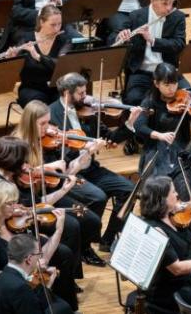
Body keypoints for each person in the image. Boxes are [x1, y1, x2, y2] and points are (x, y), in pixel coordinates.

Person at [50, 72, 139, 253]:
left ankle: (107, 239)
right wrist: (86, 148)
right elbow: (59, 157)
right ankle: (85, 246)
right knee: (98, 197)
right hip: (70, 173)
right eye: (81, 94)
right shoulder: (52, 115)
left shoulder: (88, 111)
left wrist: (130, 122)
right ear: (67, 93)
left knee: (129, 191)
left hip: (91, 169)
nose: (86, 97)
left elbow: (111, 138)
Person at [13, 100, 106, 271]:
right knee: (72, 227)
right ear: (30, 123)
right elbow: (28, 181)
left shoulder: (49, 142)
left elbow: (67, 172)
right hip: (34, 202)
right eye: (43, 124)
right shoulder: (19, 148)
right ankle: (69, 271)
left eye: (48, 122)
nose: (48, 128)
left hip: (54, 193)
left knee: (92, 221)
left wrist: (86, 154)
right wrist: (48, 168)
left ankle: (83, 251)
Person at [0, 179, 76, 314]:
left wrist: (58, 230)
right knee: (57, 307)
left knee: (61, 303)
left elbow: (41, 256)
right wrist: (33, 278)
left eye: (15, 202)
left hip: (18, 282)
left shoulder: (12, 224)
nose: (16, 207)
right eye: (10, 204)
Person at [140, 175, 191, 313]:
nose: (177, 194)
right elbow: (177, 269)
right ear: (162, 199)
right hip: (170, 290)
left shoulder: (174, 216)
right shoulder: (156, 231)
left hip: (186, 279)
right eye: (173, 192)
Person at [134, 62, 191, 176]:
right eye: (167, 85)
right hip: (157, 150)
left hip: (181, 148)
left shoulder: (184, 98)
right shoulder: (149, 102)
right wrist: (160, 135)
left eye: (174, 84)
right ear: (156, 83)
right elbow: (139, 126)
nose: (172, 89)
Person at [115, 0, 187, 107]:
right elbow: (114, 37)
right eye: (165, 4)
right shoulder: (136, 16)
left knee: (189, 96)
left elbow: (179, 44)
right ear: (153, 0)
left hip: (167, 73)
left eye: (171, 3)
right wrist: (121, 36)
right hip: (142, 72)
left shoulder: (177, 17)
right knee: (133, 100)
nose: (169, 8)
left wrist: (152, 40)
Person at [3, 5, 72, 107]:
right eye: (53, 25)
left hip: (56, 88)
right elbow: (13, 71)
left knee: (64, 103)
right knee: (39, 106)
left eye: (59, 24)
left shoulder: (64, 40)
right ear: (41, 22)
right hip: (31, 88)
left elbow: (61, 64)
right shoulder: (26, 38)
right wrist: (12, 58)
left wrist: (38, 57)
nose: (57, 29)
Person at [0, 234, 73, 314]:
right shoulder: (20, 288)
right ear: (29, 259)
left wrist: (49, 282)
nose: (39, 258)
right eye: (38, 254)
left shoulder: (3, 275)